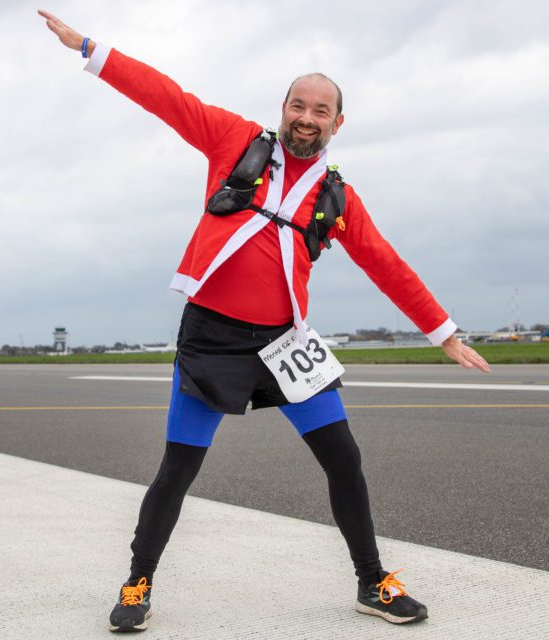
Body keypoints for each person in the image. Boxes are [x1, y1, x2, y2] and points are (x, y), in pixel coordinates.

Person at [38, 10, 491, 633]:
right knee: (178, 469)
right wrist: (91, 48)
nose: (306, 117)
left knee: (344, 461)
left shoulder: (338, 196)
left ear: (337, 123)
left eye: (320, 110)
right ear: (283, 108)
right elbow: (168, 98)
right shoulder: (234, 142)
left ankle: (372, 583)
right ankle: (138, 581)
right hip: (212, 338)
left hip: (286, 345)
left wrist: (443, 333)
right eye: (298, 105)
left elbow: (386, 263)